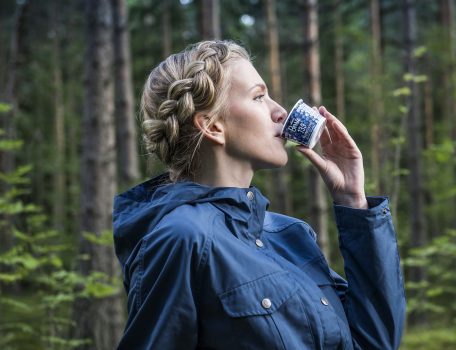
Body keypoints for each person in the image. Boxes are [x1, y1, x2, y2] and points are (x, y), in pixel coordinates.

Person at [113, 40, 405, 349]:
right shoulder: (182, 238)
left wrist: (353, 202)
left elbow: (376, 341)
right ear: (212, 126)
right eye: (259, 96)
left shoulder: (291, 236)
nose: (281, 112)